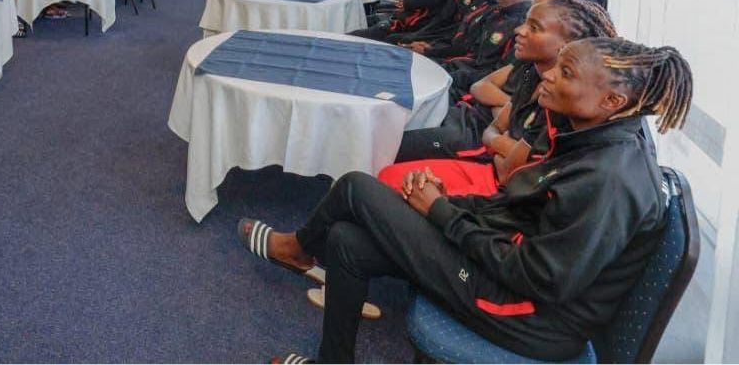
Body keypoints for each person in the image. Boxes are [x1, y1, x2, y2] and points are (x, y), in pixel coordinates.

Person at [237, 36, 691, 364]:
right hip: (510, 274)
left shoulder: (611, 179)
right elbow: (516, 212)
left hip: (528, 316)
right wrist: (446, 202)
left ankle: (297, 249)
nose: (549, 75)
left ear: (612, 100)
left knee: (356, 186)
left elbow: (538, 278)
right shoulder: (593, 139)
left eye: (566, 73)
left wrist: (439, 211)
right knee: (345, 241)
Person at [380, 0, 618, 194]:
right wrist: (503, 138)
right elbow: (492, 121)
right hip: (477, 134)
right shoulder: (532, 71)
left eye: (534, 27)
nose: (518, 30)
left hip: (487, 169)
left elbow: (510, 170)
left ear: (568, 44)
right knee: (389, 143)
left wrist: (499, 138)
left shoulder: (562, 101)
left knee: (388, 155)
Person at [443, 0, 543, 95]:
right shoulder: (494, 13)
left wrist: (456, 76)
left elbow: (500, 74)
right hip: (463, 71)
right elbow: (472, 53)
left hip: (479, 88)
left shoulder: (524, 28)